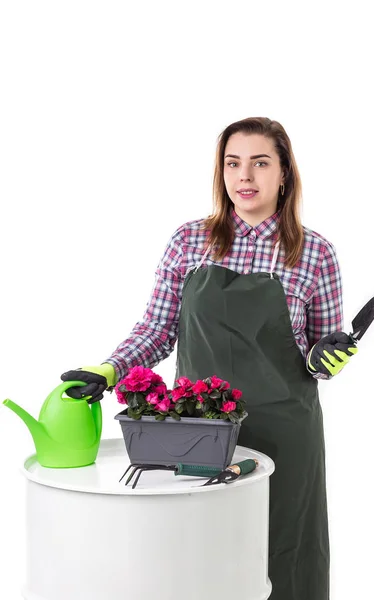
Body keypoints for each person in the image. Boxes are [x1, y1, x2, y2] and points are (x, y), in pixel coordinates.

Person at [61, 116, 358, 600]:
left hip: (287, 432)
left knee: (287, 546)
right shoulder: (190, 241)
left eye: (260, 163)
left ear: (284, 173)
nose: (245, 176)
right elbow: (158, 329)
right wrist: (111, 367)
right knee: (204, 549)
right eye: (233, 163)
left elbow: (318, 354)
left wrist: (329, 358)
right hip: (201, 432)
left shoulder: (314, 253)